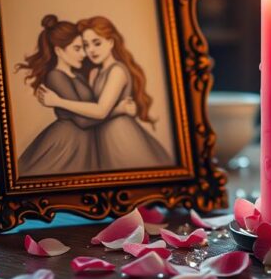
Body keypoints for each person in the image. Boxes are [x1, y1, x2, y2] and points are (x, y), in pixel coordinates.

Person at [37, 15, 174, 170]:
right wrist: (120, 109)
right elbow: (88, 111)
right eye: (86, 45)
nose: (90, 51)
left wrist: (58, 102)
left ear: (110, 42)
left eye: (97, 43)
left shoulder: (117, 71)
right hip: (101, 140)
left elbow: (100, 111)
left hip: (121, 136)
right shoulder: (94, 72)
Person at [16, 15, 136, 176]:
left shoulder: (79, 76)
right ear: (59, 50)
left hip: (83, 144)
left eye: (83, 47)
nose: (84, 54)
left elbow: (94, 108)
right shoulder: (55, 76)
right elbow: (84, 121)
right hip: (66, 144)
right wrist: (119, 110)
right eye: (77, 48)